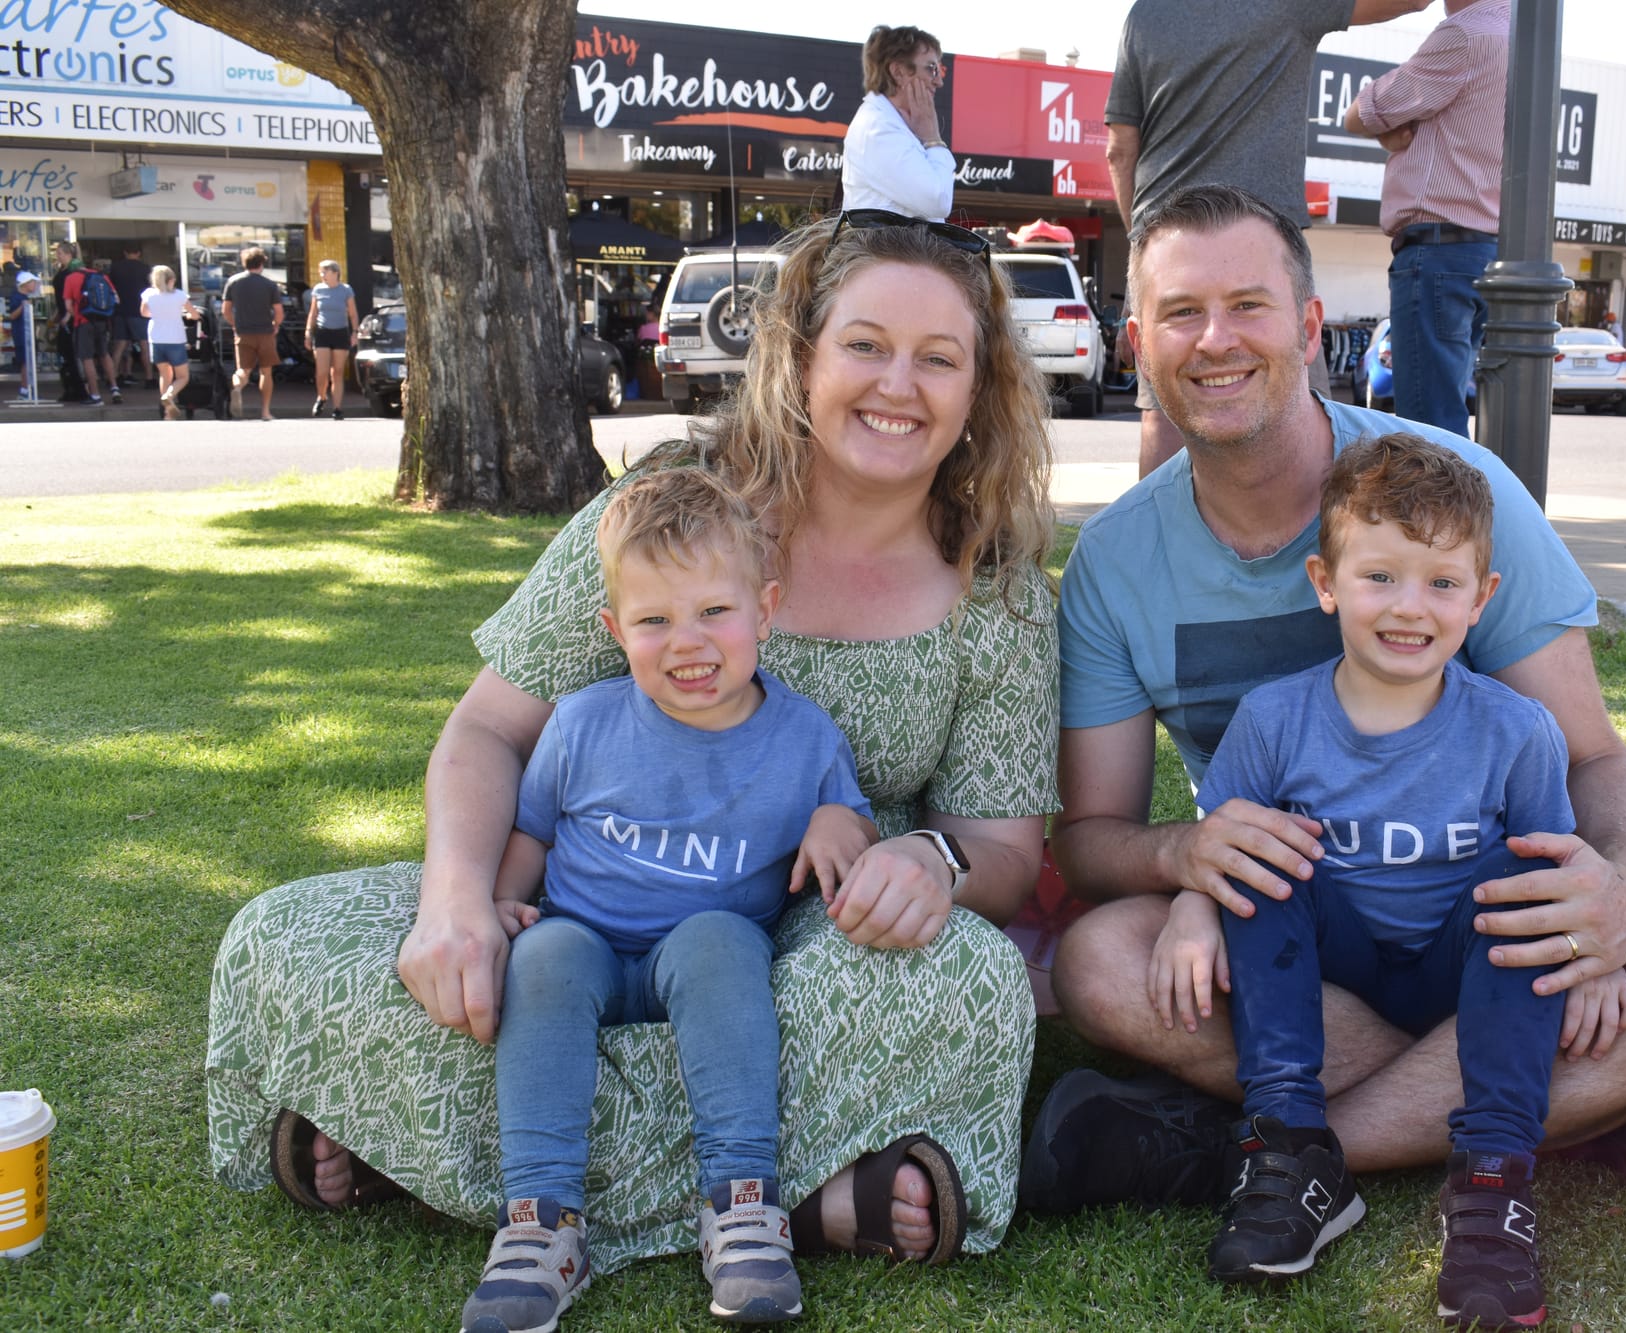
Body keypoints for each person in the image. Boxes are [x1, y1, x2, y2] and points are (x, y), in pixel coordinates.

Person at [206, 210, 1059, 1284]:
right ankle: (804, 1197)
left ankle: (429, 1154)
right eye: (865, 344)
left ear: (979, 390)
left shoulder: (996, 591)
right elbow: (485, 729)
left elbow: (1004, 846)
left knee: (969, 982)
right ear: (800, 353)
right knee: (285, 933)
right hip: (587, 906)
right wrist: (458, 901)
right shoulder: (665, 509)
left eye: (938, 359)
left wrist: (929, 863)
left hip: (816, 948)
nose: (898, 384)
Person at [1025, 184, 1626, 1222]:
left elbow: (1591, 758)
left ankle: (1246, 1157)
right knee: (1103, 965)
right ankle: (1611, 1109)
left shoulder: (1455, 494)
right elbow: (1091, 839)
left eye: (1247, 305)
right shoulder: (1114, 561)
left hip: (1475, 917)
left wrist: (1621, 893)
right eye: (1179, 313)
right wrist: (1177, 857)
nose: (1214, 340)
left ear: (1304, 326)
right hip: (1293, 929)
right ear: (1135, 341)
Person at [1187, 433, 1626, 1328]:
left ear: (1482, 598)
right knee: (1267, 860)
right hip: (1332, 960)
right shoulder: (1274, 719)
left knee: (1522, 881)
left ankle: (1491, 1185)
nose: (1409, 607)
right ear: (1324, 581)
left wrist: (1599, 952)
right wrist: (1192, 913)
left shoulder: (1518, 731)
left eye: (1441, 582)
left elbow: (1561, 882)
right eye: (1379, 576)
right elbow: (1220, 843)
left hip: (1458, 962)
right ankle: (1290, 1147)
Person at [461, 468, 878, 1331]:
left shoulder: (804, 738)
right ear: (615, 631)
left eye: (713, 612)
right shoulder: (582, 723)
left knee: (721, 937)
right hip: (587, 944)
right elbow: (532, 831)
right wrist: (501, 899)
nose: (688, 642)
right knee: (542, 957)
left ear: (765, 610)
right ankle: (541, 1225)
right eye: (654, 620)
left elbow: (852, 819)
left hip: (701, 959)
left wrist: (842, 822)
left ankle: (743, 1204)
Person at [1104, 0, 1433, 478]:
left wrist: (1142, 249)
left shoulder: (1145, 14)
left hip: (1168, 245)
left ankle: (1159, 551)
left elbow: (1119, 149)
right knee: (1303, 413)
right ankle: (1316, 547)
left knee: (1167, 412)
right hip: (1262, 249)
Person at [1343, 0, 1508, 438]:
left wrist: (1388, 132)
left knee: (1429, 428)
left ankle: (1442, 509)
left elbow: (1360, 113)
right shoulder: (1521, 37)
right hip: (1488, 250)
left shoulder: (1464, 34)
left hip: (1438, 251)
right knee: (1453, 413)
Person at [840, 25, 955, 221]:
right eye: (931, 69)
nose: (938, 82)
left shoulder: (888, 123)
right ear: (898, 72)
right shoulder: (878, 127)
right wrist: (934, 141)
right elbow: (937, 201)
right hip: (884, 251)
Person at [222, 247, 284, 421]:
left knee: (243, 370)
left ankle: (237, 387)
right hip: (265, 332)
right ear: (262, 263)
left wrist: (235, 324)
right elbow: (279, 312)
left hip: (243, 332)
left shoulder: (233, 282)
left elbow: (226, 310)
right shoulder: (269, 285)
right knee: (266, 372)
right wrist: (275, 325)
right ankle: (265, 411)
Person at [57, 243, 119, 406]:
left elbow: (69, 306)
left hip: (82, 322)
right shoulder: (100, 275)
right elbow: (116, 298)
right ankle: (114, 388)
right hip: (102, 321)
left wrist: (67, 317)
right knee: (104, 354)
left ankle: (95, 395)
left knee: (87, 358)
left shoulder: (70, 278)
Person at [306, 260, 359, 420]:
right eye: (321, 272)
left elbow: (353, 313)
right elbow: (313, 313)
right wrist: (308, 331)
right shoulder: (318, 290)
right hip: (322, 332)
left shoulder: (346, 290)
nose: (322, 276)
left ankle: (337, 408)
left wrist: (355, 332)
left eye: (325, 272)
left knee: (337, 372)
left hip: (340, 332)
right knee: (321, 372)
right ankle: (321, 397)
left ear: (335, 273)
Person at [140, 266, 192, 421]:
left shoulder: (149, 294)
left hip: (156, 338)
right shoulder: (179, 295)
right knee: (182, 377)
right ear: (171, 280)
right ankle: (169, 396)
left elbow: (144, 313)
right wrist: (188, 315)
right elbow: (194, 313)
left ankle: (167, 413)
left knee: (165, 374)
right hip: (175, 338)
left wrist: (157, 314)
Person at [109, 242, 151, 385]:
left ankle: (112, 378)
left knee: (119, 346)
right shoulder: (146, 269)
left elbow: (111, 289)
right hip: (139, 311)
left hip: (120, 310)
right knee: (144, 345)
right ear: (139, 253)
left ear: (125, 253)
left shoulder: (115, 268)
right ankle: (149, 377)